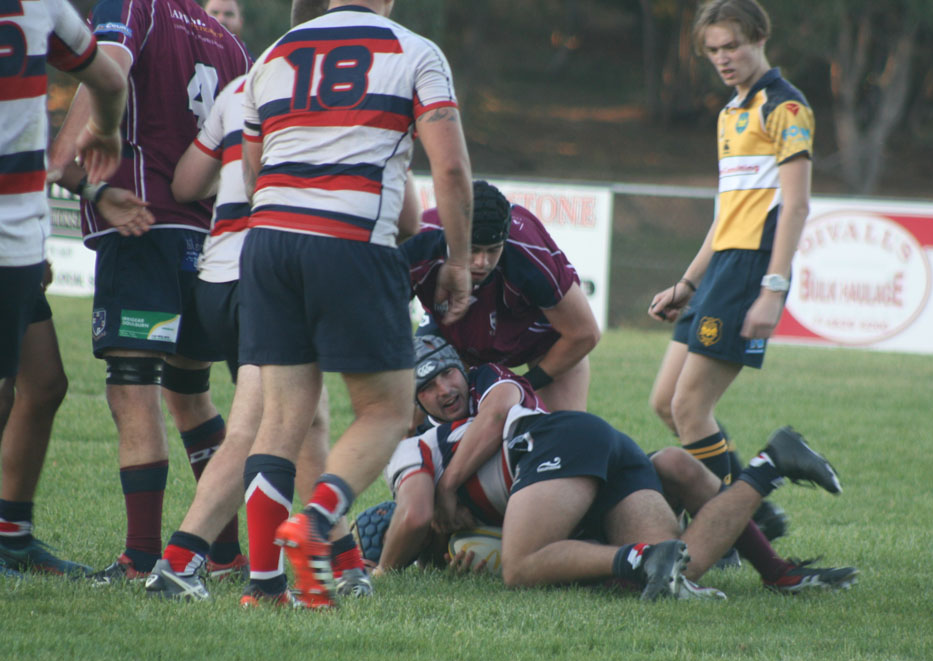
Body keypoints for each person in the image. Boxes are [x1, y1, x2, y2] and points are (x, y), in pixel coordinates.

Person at [237, 0, 473, 609]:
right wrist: (456, 259)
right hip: (349, 240)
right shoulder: (415, 51)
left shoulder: (273, 54)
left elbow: (253, 170)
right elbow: (449, 168)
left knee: (280, 419)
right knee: (387, 410)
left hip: (267, 240)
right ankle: (316, 523)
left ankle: (264, 587)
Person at [141, 0, 376, 607]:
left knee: (308, 419)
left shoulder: (245, 84)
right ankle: (181, 561)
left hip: (215, 278)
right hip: (271, 277)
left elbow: (186, 184)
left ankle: (345, 563)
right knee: (257, 429)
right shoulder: (351, 90)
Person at [378, 339, 857, 596]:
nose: (443, 389)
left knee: (521, 567)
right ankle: (770, 466)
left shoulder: (416, 446)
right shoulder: (449, 476)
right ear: (415, 399)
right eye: (427, 386)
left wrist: (380, 570)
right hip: (590, 454)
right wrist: (447, 557)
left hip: (558, 445)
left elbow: (415, 516)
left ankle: (639, 557)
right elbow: (442, 531)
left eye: (447, 374)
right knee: (678, 567)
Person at [47, 0, 253, 583]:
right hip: (206, 238)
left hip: (140, 224)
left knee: (132, 388)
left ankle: (139, 558)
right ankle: (225, 553)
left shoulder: (134, 4)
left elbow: (107, 69)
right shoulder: (231, 43)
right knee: (190, 392)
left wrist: (72, 166)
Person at [647, 0, 813, 534]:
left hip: (751, 270)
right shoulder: (729, 113)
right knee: (666, 404)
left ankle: (735, 528)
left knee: (691, 408)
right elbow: (726, 214)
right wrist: (688, 282)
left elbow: (796, 206)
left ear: (760, 38)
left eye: (732, 46)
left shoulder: (784, 108)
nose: (722, 58)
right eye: (713, 50)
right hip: (721, 268)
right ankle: (753, 515)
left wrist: (773, 289)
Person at [0, 0, 129, 576]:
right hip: (0, 239)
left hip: (13, 241)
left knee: (42, 382)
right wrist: (106, 131)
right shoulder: (40, 6)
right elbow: (109, 81)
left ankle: (11, 538)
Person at [404, 180, 600, 412]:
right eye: (473, 249)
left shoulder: (528, 249)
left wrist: (521, 387)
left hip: (537, 340)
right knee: (406, 416)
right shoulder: (418, 242)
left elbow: (584, 333)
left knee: (563, 429)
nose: (482, 262)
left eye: (493, 250)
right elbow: (382, 322)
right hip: (453, 332)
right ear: (452, 236)